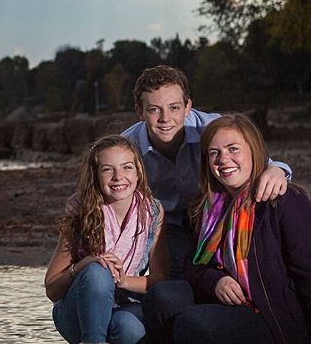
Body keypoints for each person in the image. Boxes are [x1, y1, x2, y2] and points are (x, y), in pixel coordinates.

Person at [143, 113, 311, 344]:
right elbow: (192, 267)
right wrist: (215, 280)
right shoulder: (208, 206)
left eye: (233, 149)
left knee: (191, 323)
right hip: (231, 306)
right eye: (214, 153)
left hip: (276, 321)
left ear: (254, 151)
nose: (223, 160)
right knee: (160, 297)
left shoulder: (285, 201)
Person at [122, 65, 292, 278]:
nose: (165, 118)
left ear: (188, 107)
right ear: (140, 111)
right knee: (177, 277)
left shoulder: (214, 128)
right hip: (166, 224)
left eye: (174, 108)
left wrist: (276, 170)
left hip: (216, 215)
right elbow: (100, 184)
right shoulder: (126, 148)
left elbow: (260, 163)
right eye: (154, 109)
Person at [45, 134, 169, 344]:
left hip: (124, 305)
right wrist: (83, 265)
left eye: (126, 167)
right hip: (77, 315)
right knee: (98, 270)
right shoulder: (81, 213)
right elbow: (52, 289)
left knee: (129, 330)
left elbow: (159, 279)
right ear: (95, 175)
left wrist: (124, 280)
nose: (118, 176)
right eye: (107, 169)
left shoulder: (153, 213)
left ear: (139, 172)